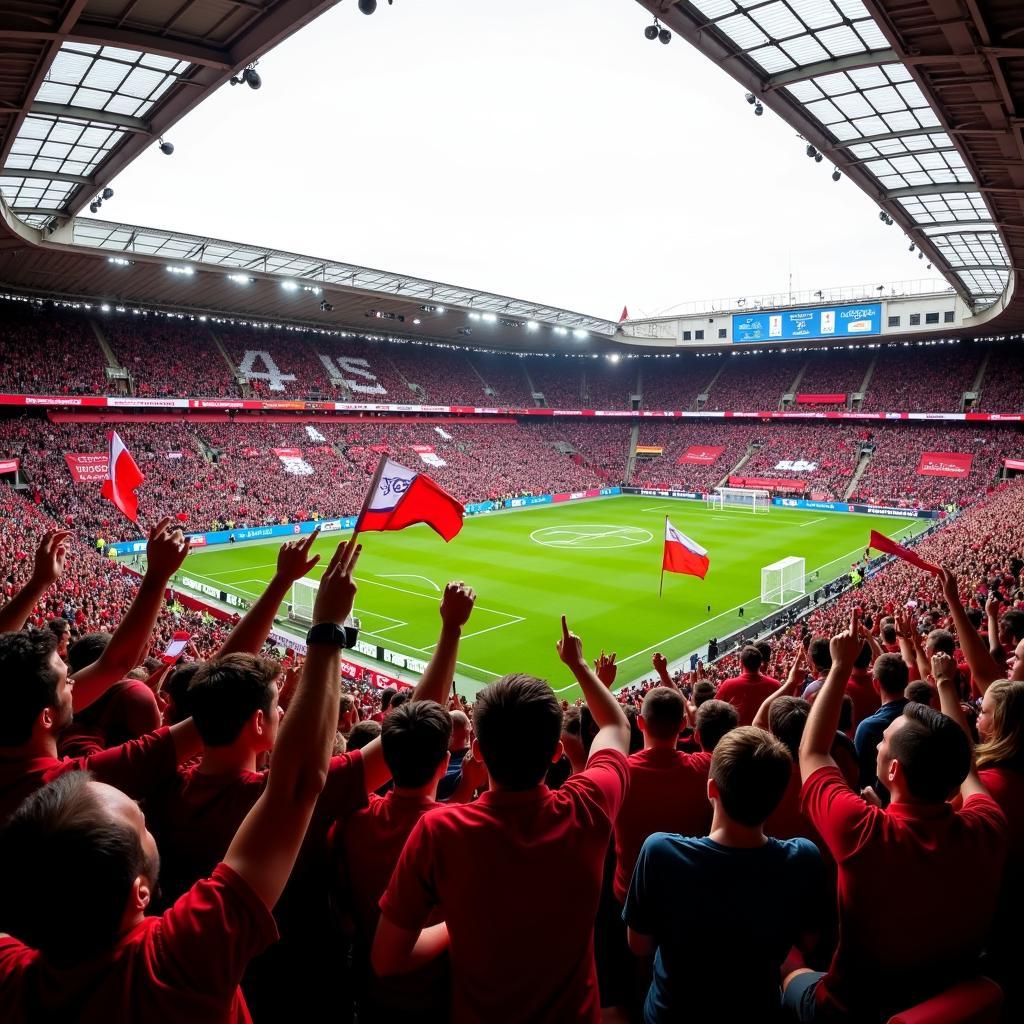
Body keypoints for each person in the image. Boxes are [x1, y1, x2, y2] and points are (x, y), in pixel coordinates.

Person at [0, 532, 360, 1021]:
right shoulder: (181, 960)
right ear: (140, 892)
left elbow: (216, 703)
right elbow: (289, 782)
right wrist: (326, 630)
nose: (70, 674)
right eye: (141, 825)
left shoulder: (15, 976)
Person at [373, 616, 631, 1023]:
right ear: (555, 753)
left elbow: (387, 959)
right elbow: (616, 725)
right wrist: (579, 666)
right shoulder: (589, 806)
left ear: (477, 748)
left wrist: (457, 926)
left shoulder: (440, 830)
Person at [783, 610, 1008, 1022]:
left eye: (884, 741)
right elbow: (969, 772)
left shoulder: (862, 829)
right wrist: (942, 684)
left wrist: (839, 667)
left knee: (786, 963)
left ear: (893, 772)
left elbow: (812, 751)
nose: (878, 742)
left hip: (849, 1007)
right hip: (949, 989)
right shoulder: (988, 825)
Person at [625, 727, 824, 1023]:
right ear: (779, 795)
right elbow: (810, 938)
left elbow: (639, 945)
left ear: (711, 789)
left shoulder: (660, 851)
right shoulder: (803, 857)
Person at [336, 700, 467, 1022]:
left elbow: (344, 913)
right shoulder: (461, 831)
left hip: (368, 994)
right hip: (438, 998)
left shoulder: (352, 819)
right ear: (444, 763)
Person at [853, 652, 909, 795]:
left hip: (882, 807)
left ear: (876, 684)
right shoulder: (922, 713)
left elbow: (859, 779)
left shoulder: (867, 728)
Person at [715, 646, 779, 726]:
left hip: (737, 736)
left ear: (740, 663)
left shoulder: (728, 684)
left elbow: (713, 711)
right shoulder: (775, 685)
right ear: (760, 663)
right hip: (765, 736)